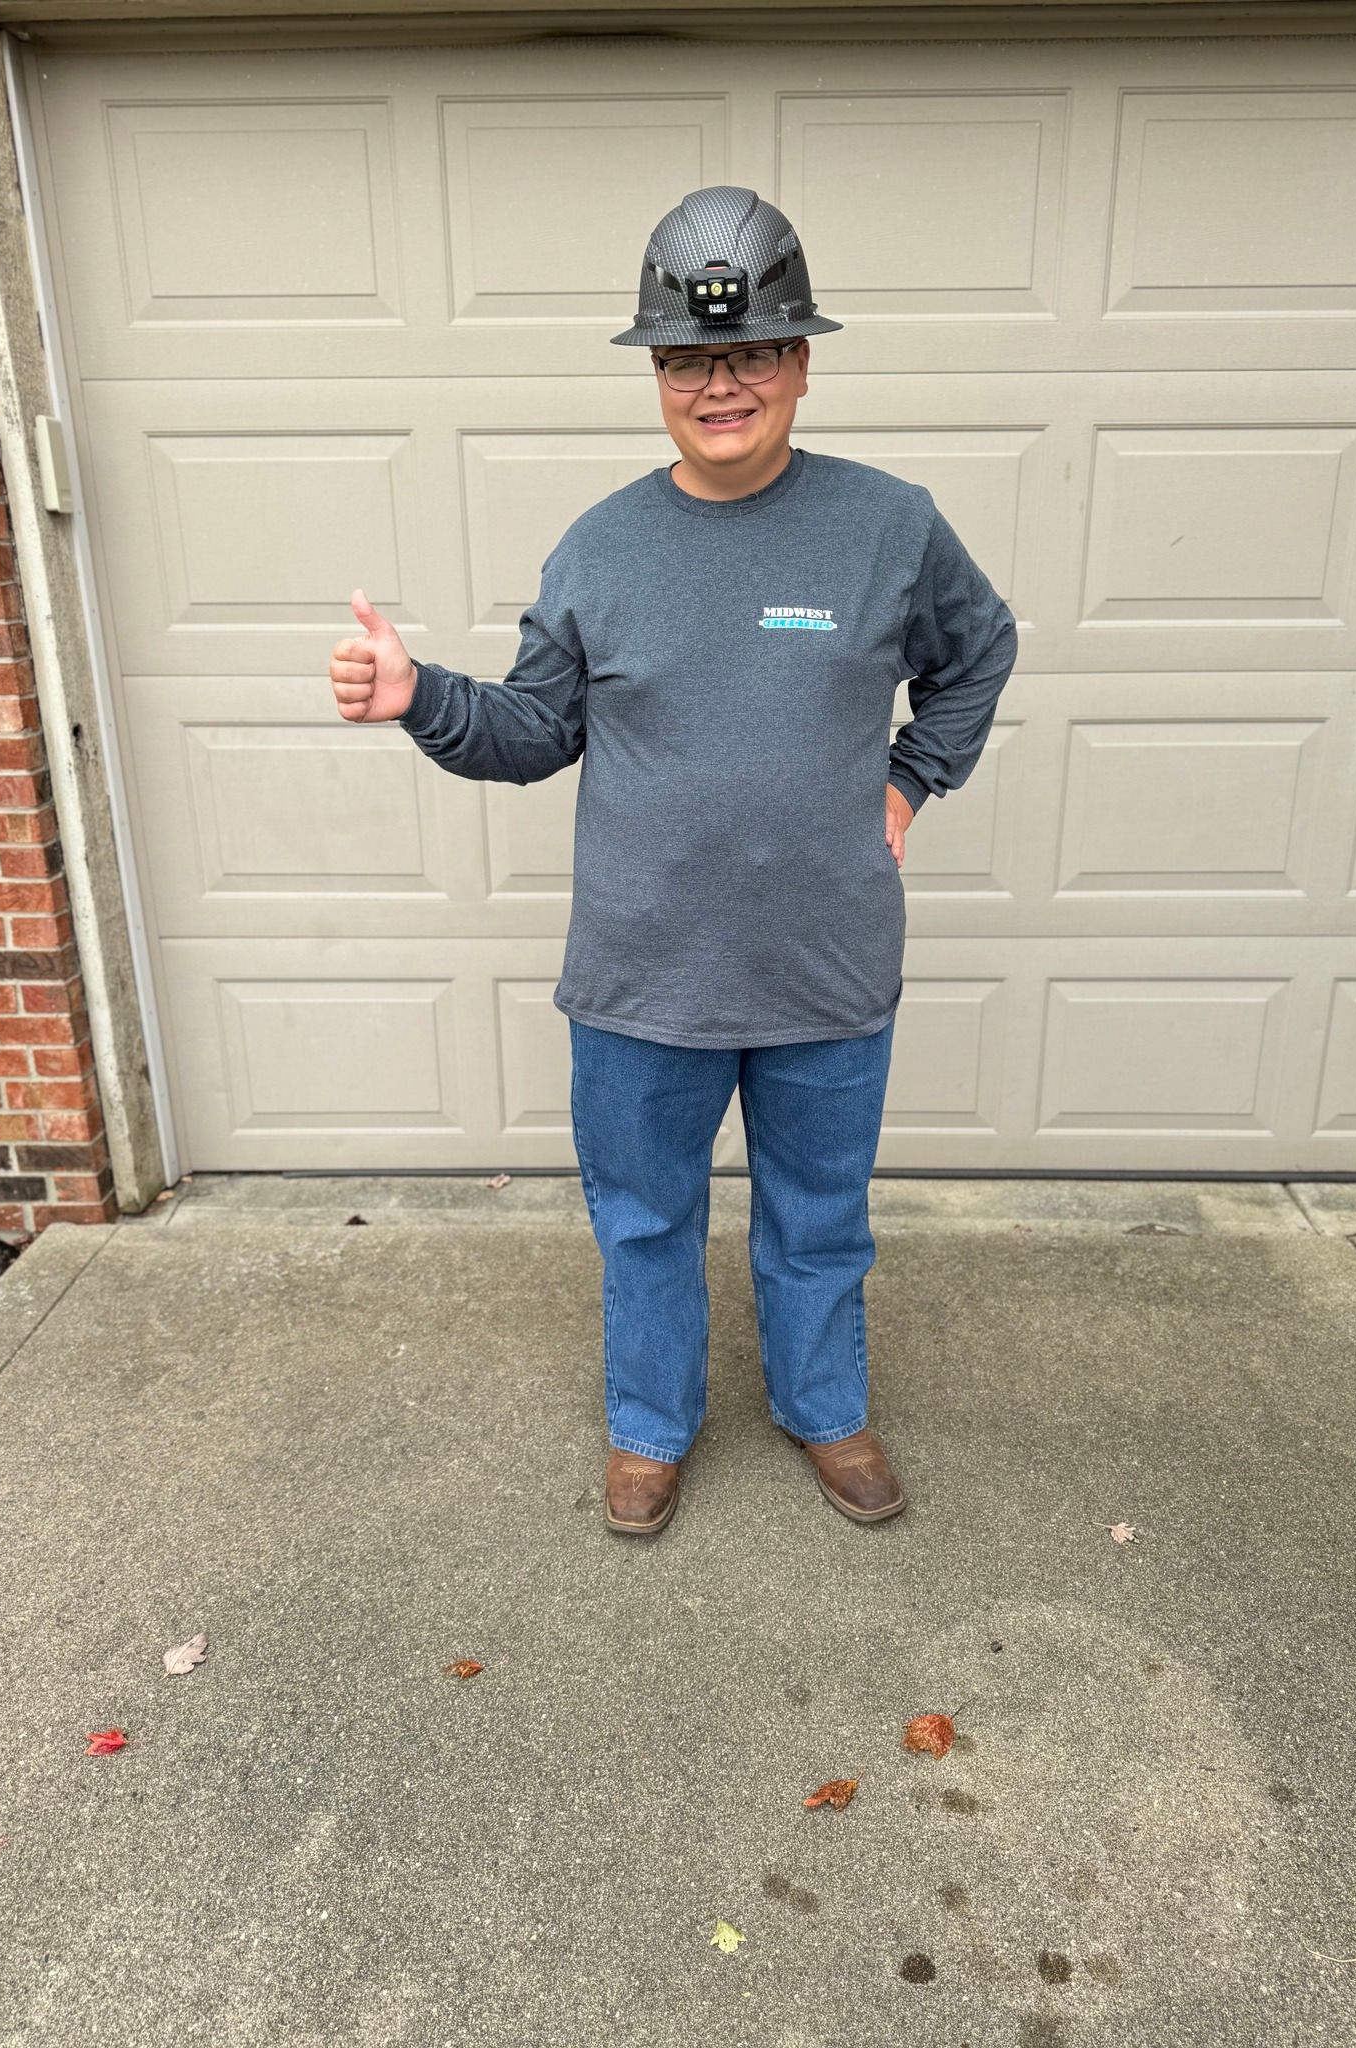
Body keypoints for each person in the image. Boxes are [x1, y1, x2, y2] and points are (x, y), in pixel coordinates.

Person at [327, 186, 1018, 1540]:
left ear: (801, 363)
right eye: (691, 359)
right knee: (645, 1224)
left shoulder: (890, 527)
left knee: (818, 1219)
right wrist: (416, 694)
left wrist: (911, 778)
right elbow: (532, 734)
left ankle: (826, 1409)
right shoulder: (602, 549)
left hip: (825, 967)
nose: (723, 385)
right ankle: (651, 1426)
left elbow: (977, 653)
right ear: (657, 373)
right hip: (643, 980)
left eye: (753, 352)